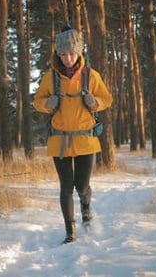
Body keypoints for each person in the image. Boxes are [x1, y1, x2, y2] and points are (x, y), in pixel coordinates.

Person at [33, 26, 113, 244]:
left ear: (79, 52)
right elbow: (37, 102)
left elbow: (107, 99)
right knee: (66, 187)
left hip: (86, 142)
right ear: (58, 54)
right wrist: (47, 104)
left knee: (82, 186)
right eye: (63, 54)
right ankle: (70, 232)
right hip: (59, 142)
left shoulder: (91, 76)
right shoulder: (50, 78)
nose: (68, 58)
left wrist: (95, 102)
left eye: (71, 53)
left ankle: (86, 212)